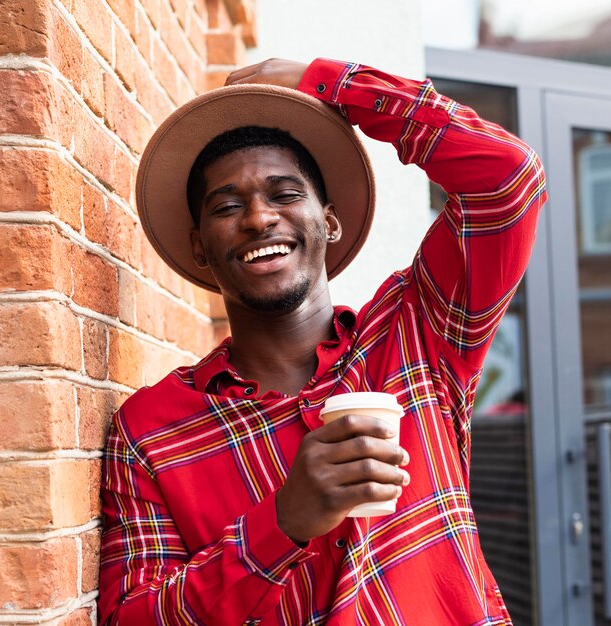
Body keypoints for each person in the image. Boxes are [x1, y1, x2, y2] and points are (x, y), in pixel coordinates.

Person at [98, 57, 546, 625]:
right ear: (198, 248)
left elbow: (508, 179)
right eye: (228, 206)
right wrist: (281, 524)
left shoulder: (417, 332)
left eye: (285, 194)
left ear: (328, 222)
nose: (259, 218)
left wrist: (333, 81)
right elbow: (131, 619)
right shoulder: (150, 430)